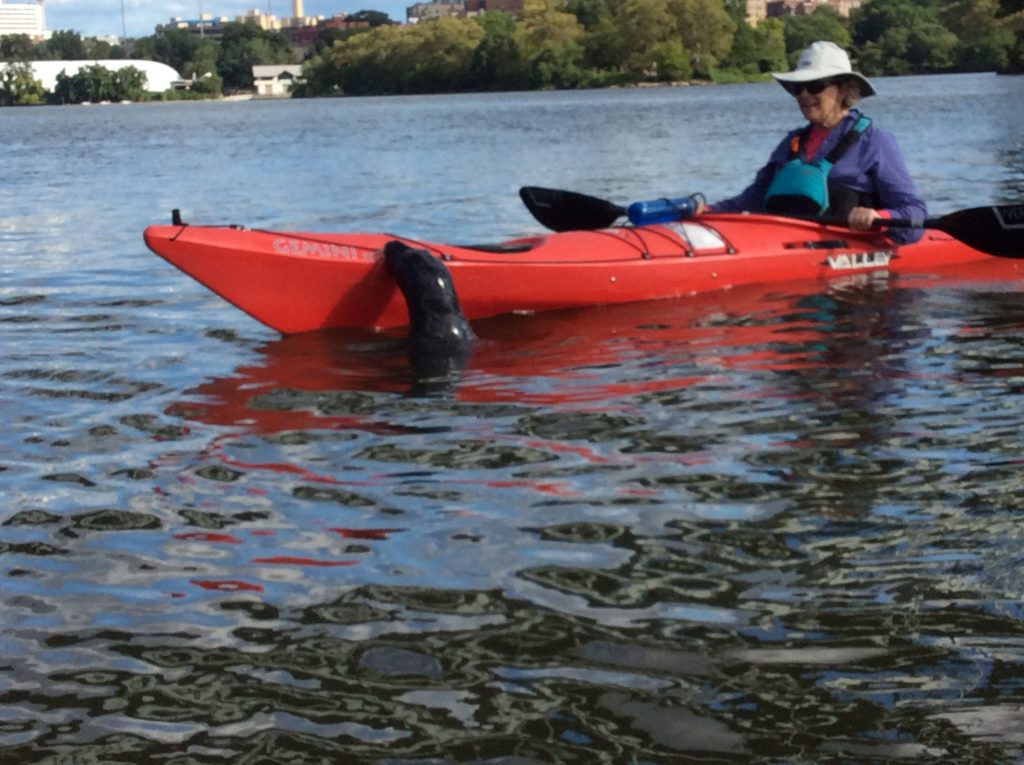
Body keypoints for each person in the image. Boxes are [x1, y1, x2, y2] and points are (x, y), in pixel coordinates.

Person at [704, 41, 927, 244]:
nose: (803, 95)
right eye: (797, 88)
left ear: (843, 89)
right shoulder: (791, 143)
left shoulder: (875, 142)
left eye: (815, 85)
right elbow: (752, 199)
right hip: (784, 245)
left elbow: (915, 212)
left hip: (846, 249)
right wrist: (707, 210)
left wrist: (881, 216)